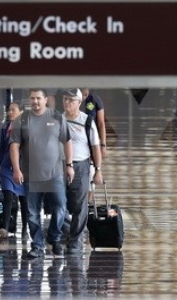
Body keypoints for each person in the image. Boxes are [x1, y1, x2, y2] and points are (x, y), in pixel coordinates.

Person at [9, 89, 74, 259]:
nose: (35, 102)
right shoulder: (21, 119)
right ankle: (37, 245)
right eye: (32, 98)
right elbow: (14, 146)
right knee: (32, 212)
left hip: (55, 174)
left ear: (46, 99)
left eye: (39, 98)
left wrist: (69, 165)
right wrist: (16, 169)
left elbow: (67, 141)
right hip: (31, 175)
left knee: (60, 208)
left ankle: (54, 237)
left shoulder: (58, 117)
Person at [61, 88, 102, 254]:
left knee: (80, 204)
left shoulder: (87, 121)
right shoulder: (57, 119)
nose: (67, 103)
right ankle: (70, 231)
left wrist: (98, 169)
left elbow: (95, 147)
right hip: (58, 166)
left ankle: (76, 240)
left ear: (79, 102)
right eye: (64, 99)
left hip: (81, 166)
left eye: (71, 100)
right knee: (56, 202)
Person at [0, 101, 29, 239]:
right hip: (6, 166)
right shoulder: (5, 127)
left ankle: (24, 229)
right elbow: (2, 149)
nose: (10, 112)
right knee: (8, 196)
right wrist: (0, 167)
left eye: (13, 110)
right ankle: (5, 228)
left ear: (21, 111)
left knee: (24, 199)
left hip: (23, 167)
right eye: (9, 110)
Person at [81, 88, 108, 159]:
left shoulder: (94, 99)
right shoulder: (73, 99)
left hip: (92, 139)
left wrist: (103, 144)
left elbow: (101, 124)